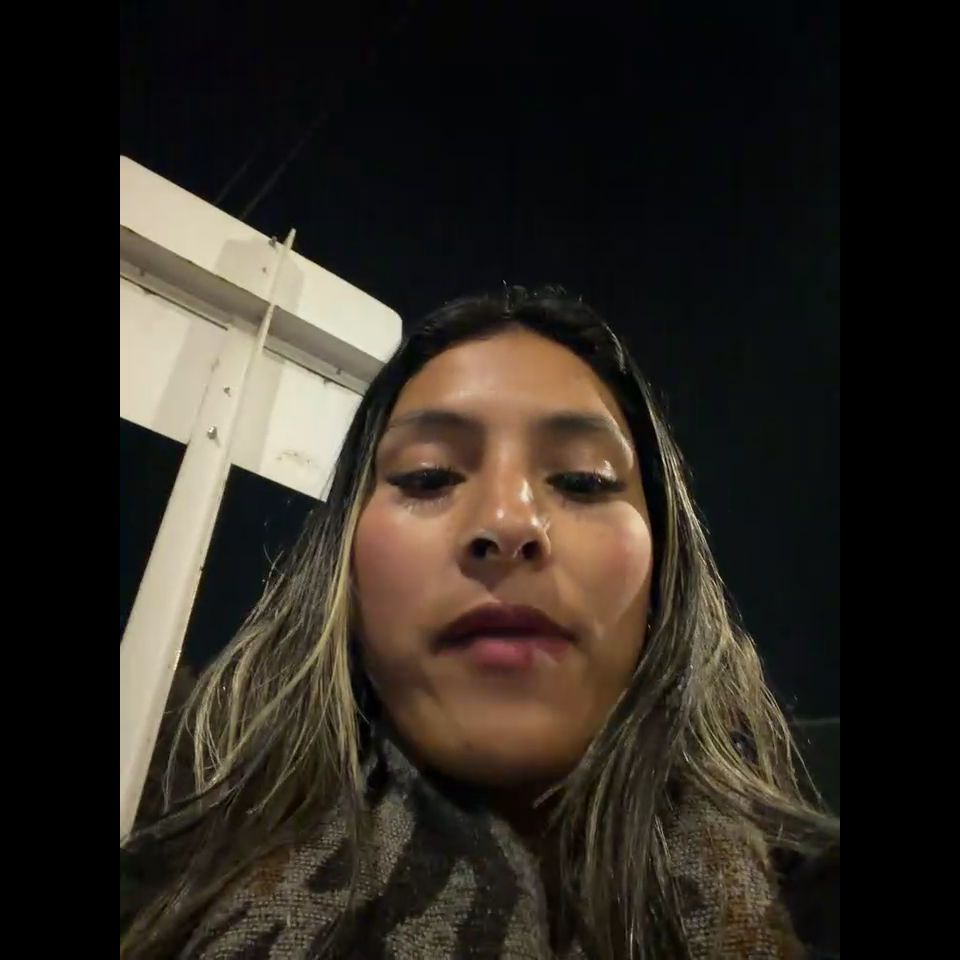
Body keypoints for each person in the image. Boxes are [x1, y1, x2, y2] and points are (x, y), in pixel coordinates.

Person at [120, 287, 840, 959]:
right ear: (343, 568)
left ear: (667, 575)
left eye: (584, 480)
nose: (506, 521)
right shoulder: (152, 867)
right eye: (428, 476)